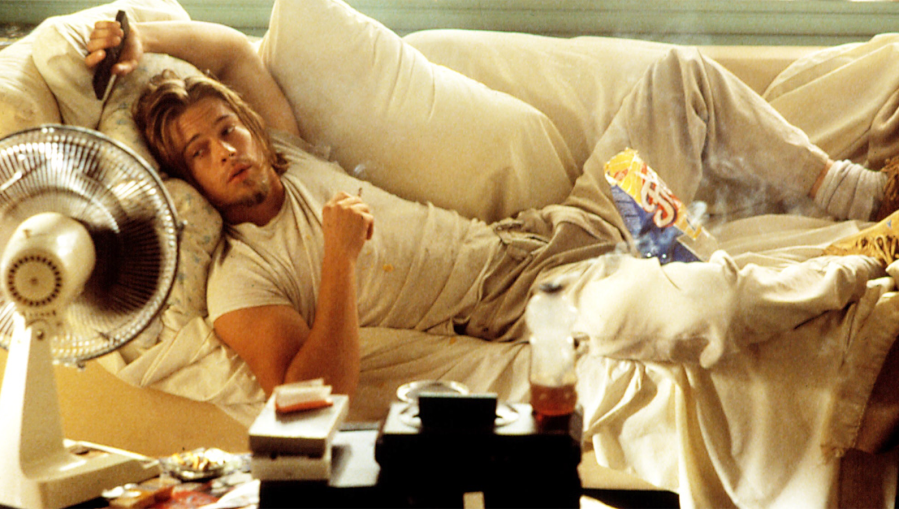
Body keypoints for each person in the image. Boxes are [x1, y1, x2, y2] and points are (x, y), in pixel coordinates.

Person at [86, 18, 899, 452]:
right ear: (189, 182)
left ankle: (865, 198)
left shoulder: (293, 159)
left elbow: (231, 48)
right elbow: (303, 400)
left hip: (562, 228)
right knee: (681, 304)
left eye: (226, 130)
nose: (225, 152)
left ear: (253, 131)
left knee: (675, 80)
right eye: (200, 152)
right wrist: (337, 259)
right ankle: (849, 271)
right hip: (539, 303)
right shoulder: (241, 277)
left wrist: (142, 39)